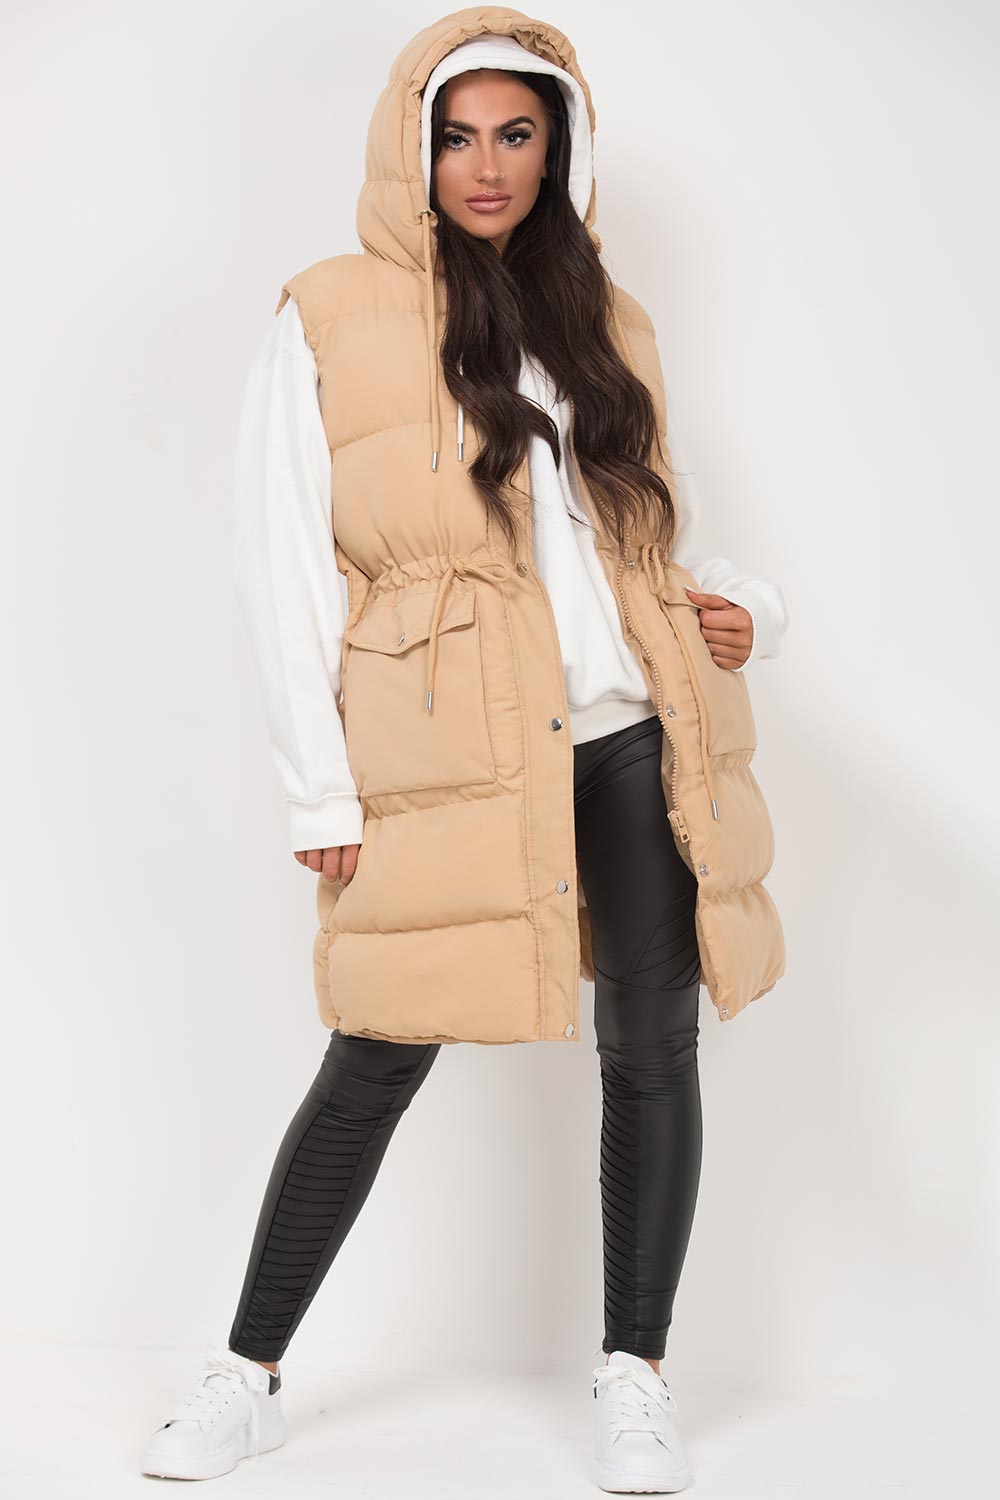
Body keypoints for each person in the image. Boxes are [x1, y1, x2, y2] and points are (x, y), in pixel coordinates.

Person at [141, 10, 787, 1492]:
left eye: (516, 133)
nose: (485, 164)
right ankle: (247, 1374)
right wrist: (319, 783)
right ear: (408, 146)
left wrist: (750, 604)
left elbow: (652, 530)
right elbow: (282, 565)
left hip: (632, 734)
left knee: (652, 1051)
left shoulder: (605, 315)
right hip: (450, 755)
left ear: (558, 148)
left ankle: (636, 1373)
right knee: (375, 1051)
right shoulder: (329, 312)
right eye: (455, 135)